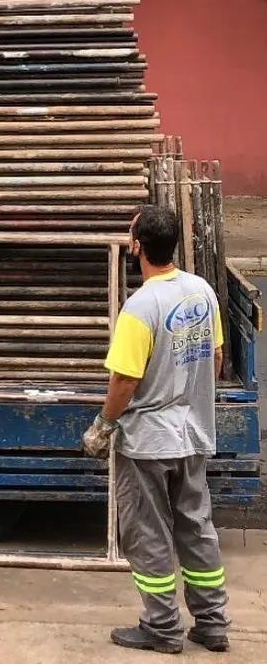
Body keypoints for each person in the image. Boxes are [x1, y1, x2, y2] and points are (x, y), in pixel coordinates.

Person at [82, 204, 230, 654]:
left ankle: (161, 627)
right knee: (196, 525)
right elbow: (217, 358)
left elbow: (124, 380)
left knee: (147, 533)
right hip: (193, 434)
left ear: (137, 246)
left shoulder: (141, 306)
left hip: (148, 441)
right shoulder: (200, 291)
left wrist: (104, 425)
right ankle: (212, 622)